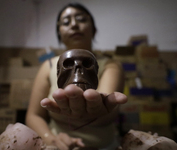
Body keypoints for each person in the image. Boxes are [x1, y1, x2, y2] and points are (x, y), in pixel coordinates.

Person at [25, 2, 127, 150]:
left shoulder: (110, 65)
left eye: (81, 19)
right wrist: (51, 139)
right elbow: (34, 115)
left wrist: (97, 110)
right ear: (59, 32)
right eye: (66, 22)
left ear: (93, 29)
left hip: (102, 145)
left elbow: (109, 112)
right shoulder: (48, 66)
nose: (74, 25)